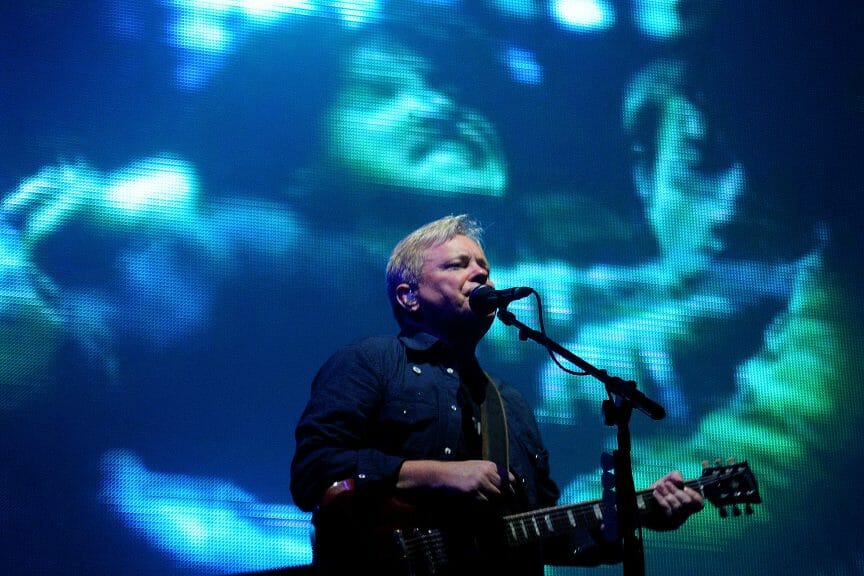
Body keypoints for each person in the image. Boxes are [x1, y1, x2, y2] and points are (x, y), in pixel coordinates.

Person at [290, 214, 704, 576]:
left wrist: (636, 517)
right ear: (409, 295)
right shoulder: (371, 361)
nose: (481, 275)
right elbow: (315, 469)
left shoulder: (510, 405)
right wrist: (440, 474)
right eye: (458, 264)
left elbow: (551, 536)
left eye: (485, 267)